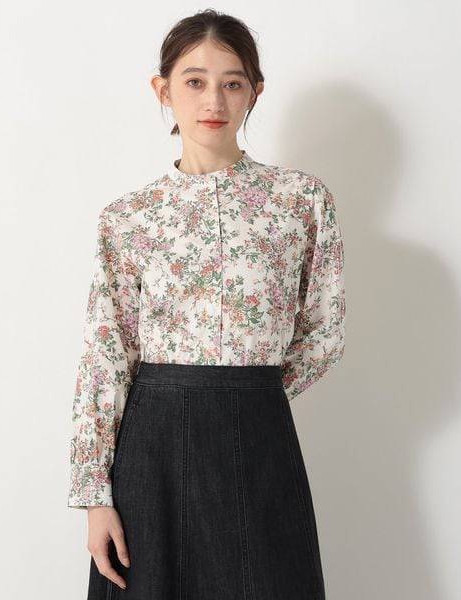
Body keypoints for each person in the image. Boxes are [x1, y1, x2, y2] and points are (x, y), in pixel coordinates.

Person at [68, 8, 346, 600]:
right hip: (152, 449)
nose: (213, 100)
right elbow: (105, 356)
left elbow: (324, 332)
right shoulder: (129, 218)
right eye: (194, 81)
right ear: (163, 90)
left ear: (255, 92)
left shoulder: (300, 201)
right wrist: (95, 497)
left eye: (232, 82)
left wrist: (249, 393)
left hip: (261, 438)